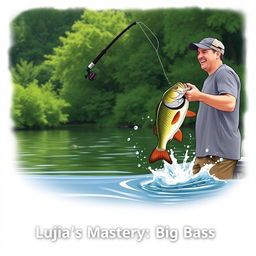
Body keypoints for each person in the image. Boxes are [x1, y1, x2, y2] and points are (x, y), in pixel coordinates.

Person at [185, 37, 241, 179]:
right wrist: (199, 95)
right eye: (198, 52)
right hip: (205, 154)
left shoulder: (224, 73)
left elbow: (229, 103)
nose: (199, 56)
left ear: (217, 54)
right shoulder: (209, 78)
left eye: (204, 52)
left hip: (219, 155)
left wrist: (200, 96)